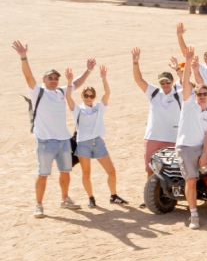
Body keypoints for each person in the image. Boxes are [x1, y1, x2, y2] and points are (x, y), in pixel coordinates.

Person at [15, 42, 92, 216]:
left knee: (65, 172)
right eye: (50, 78)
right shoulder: (38, 92)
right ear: (44, 80)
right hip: (45, 141)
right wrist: (23, 56)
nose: (53, 80)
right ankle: (39, 205)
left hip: (64, 140)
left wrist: (88, 70)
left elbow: (77, 84)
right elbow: (28, 76)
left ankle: (65, 199)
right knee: (43, 174)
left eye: (56, 78)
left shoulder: (61, 92)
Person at [174, 49, 207, 230]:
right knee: (191, 181)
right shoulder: (188, 104)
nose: (202, 96)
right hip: (185, 148)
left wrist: (205, 154)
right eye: (199, 94)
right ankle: (194, 215)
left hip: (201, 146)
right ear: (195, 95)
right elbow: (185, 81)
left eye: (205, 94)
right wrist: (188, 61)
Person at [66, 64, 125, 208]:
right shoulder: (78, 110)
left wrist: (103, 79)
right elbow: (67, 97)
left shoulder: (99, 107)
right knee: (86, 173)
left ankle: (113, 196)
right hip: (83, 144)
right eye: (86, 95)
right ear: (82, 96)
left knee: (111, 171)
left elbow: (107, 94)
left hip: (98, 142)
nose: (88, 97)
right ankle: (91, 198)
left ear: (94, 97)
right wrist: (69, 82)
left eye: (91, 95)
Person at [131, 47, 182, 176]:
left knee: (171, 172)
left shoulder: (179, 94)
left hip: (172, 138)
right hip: (152, 137)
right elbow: (138, 80)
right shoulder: (154, 93)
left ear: (172, 82)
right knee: (150, 171)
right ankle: (151, 196)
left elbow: (185, 81)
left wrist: (177, 69)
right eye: (162, 82)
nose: (165, 84)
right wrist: (135, 62)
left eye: (168, 82)